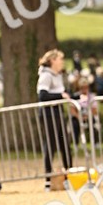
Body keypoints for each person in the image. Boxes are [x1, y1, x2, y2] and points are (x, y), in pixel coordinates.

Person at [36, 49, 73, 189]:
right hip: (48, 113)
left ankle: (69, 176)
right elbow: (43, 95)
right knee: (50, 145)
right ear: (52, 61)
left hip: (58, 112)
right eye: (59, 59)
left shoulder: (58, 75)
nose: (62, 62)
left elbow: (62, 93)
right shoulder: (46, 75)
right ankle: (47, 179)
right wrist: (60, 96)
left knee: (65, 144)